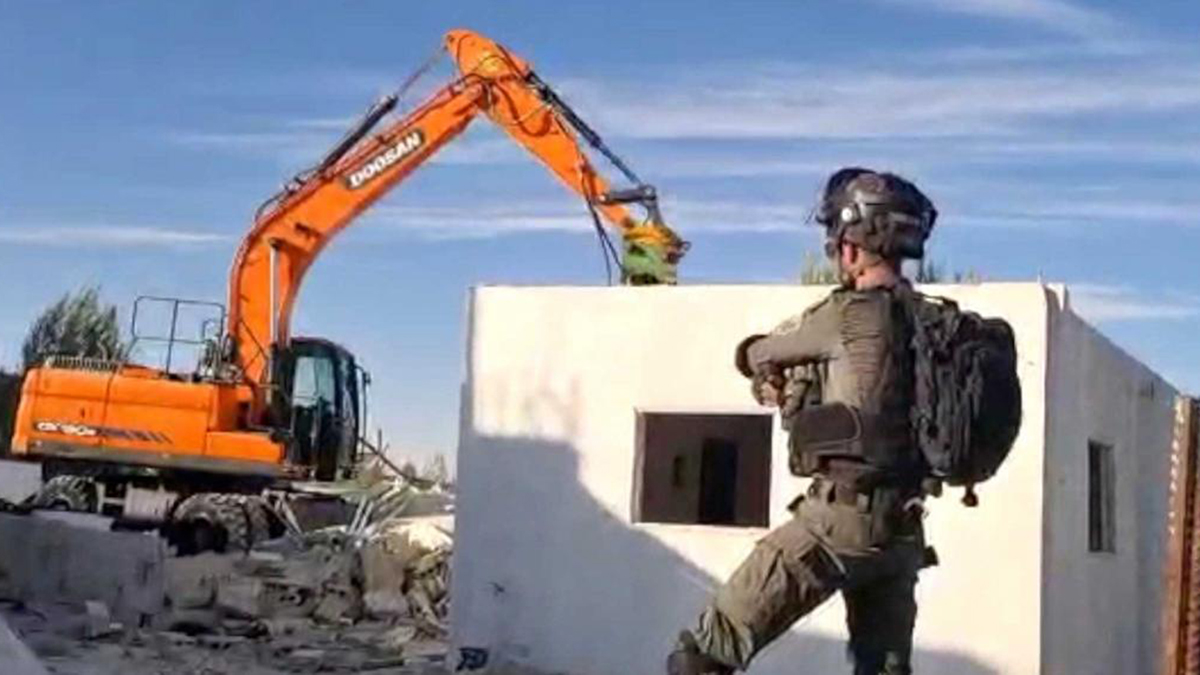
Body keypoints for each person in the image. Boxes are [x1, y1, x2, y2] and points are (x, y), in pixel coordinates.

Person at [667, 168, 940, 675]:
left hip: (837, 525)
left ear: (851, 246)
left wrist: (762, 363)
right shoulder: (931, 320)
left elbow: (756, 353)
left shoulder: (843, 314)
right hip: (903, 536)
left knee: (703, 655)